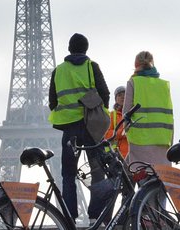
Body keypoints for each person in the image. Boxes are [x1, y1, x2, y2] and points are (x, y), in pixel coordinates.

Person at [48, 33, 110, 222]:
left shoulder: (58, 71)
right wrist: (97, 110)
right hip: (91, 127)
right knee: (97, 170)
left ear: (69, 48)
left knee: (68, 174)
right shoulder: (92, 67)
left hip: (70, 129)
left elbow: (52, 101)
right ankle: (94, 216)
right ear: (86, 49)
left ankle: (69, 217)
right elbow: (105, 93)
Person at [123, 51, 174, 167]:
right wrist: (171, 139)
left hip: (140, 139)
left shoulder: (134, 82)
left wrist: (126, 130)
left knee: (140, 175)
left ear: (136, 65)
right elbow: (170, 114)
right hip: (162, 138)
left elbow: (126, 112)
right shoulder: (163, 85)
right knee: (160, 179)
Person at [104, 85, 129, 158]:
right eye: (119, 95)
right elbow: (106, 134)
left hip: (136, 156)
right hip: (119, 157)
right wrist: (123, 132)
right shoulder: (112, 115)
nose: (123, 97)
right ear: (116, 99)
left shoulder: (135, 114)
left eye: (125, 94)